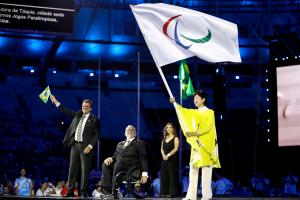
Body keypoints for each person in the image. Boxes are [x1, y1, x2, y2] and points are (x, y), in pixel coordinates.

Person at [170, 90, 221, 200]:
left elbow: (208, 127)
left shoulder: (209, 112)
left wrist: (194, 133)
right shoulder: (194, 112)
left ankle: (206, 195)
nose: (195, 101)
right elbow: (183, 112)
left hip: (207, 145)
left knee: (206, 171)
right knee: (193, 170)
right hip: (197, 145)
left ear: (203, 99)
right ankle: (191, 196)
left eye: (197, 98)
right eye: (194, 99)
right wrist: (175, 103)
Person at [50, 95, 100, 198]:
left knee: (84, 171)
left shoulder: (95, 119)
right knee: (72, 169)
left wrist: (90, 146)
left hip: (86, 148)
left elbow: (97, 134)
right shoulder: (78, 114)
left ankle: (84, 192)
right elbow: (66, 111)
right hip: (75, 146)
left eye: (86, 106)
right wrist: (56, 101)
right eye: (83, 106)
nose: (84, 107)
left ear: (91, 108)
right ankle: (70, 191)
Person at [100, 125, 148, 197]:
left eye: (132, 130)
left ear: (135, 133)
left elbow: (143, 159)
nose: (129, 131)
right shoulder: (120, 144)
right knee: (105, 164)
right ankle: (108, 189)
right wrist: (110, 158)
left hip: (131, 166)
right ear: (125, 133)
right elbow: (115, 156)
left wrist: (145, 174)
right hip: (119, 164)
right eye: (127, 130)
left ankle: (114, 190)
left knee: (118, 164)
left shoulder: (140, 143)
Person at [160, 122, 179, 198]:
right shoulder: (164, 138)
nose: (168, 129)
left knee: (172, 176)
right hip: (164, 159)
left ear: (173, 129)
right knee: (164, 175)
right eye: (167, 127)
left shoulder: (175, 138)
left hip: (172, 160)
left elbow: (176, 149)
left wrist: (168, 155)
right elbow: (161, 149)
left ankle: (172, 193)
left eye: (170, 127)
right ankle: (164, 192)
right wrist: (164, 155)